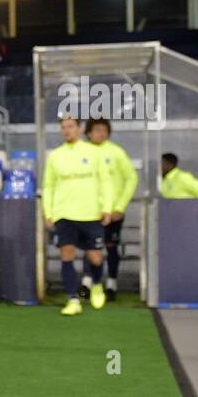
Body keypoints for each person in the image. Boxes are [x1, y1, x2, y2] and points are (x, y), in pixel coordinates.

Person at [44, 114, 114, 315]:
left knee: (95, 258)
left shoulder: (94, 153)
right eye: (64, 127)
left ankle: (97, 284)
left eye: (71, 126)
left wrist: (107, 208)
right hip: (64, 214)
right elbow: (48, 185)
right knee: (67, 254)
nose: (67, 130)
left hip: (91, 214)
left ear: (80, 129)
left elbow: (105, 182)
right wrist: (49, 211)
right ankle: (73, 299)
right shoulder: (55, 156)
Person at [84, 118, 137, 302]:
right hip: (89, 212)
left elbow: (131, 178)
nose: (100, 133)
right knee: (90, 247)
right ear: (88, 132)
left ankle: (112, 283)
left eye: (104, 130)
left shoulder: (116, 152)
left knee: (111, 247)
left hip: (113, 214)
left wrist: (119, 207)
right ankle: (88, 283)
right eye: (97, 129)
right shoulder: (82, 153)